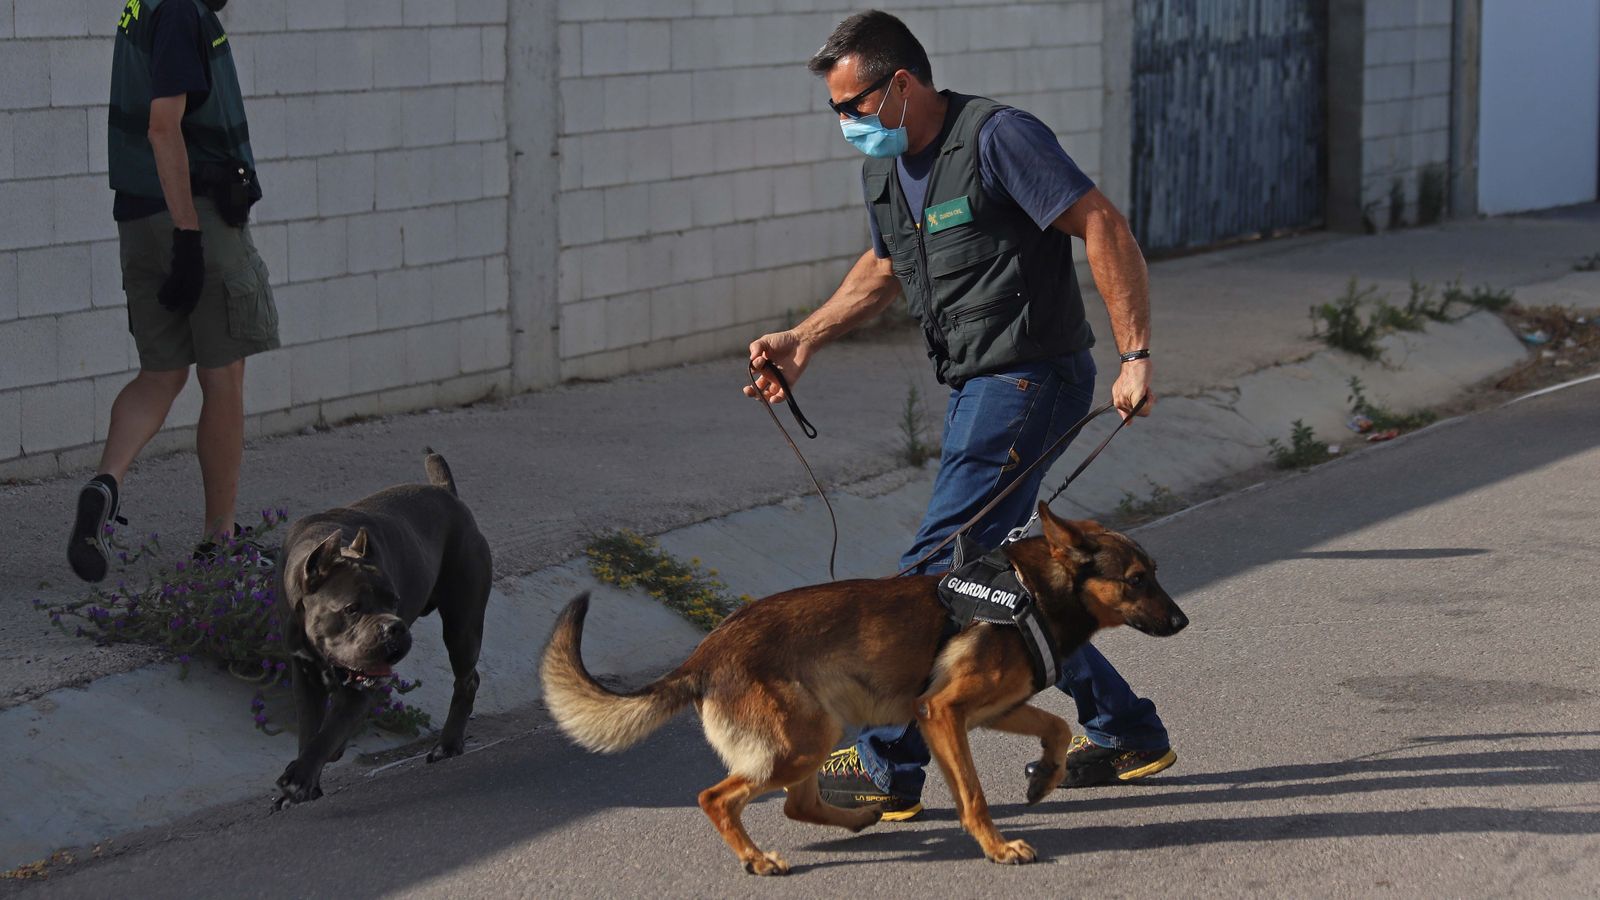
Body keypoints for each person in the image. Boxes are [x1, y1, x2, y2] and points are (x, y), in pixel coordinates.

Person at [744, 10, 1175, 820]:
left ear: (902, 84)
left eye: (855, 105)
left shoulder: (998, 138)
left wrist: (1135, 354)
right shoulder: (889, 167)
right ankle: (1124, 728)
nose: (846, 124)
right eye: (835, 110)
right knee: (994, 581)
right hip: (978, 387)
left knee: (935, 572)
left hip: (1029, 380)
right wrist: (803, 338)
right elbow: (882, 268)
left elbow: (1100, 223)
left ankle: (885, 766)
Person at [68, 0, 278, 583]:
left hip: (139, 219)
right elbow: (164, 125)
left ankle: (104, 485)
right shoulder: (182, 12)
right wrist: (188, 232)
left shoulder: (143, 7)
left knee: (161, 374)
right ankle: (221, 542)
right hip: (193, 217)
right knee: (223, 376)